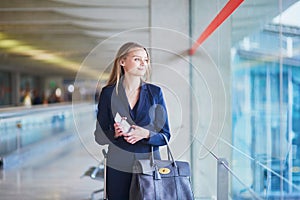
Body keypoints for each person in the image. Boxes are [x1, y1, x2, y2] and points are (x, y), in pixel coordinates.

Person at [94, 42, 171, 200]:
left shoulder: (155, 93)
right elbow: (99, 137)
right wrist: (114, 133)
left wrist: (146, 134)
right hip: (118, 165)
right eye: (137, 59)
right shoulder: (108, 93)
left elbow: (165, 135)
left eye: (146, 60)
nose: (143, 63)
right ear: (122, 62)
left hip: (149, 164)